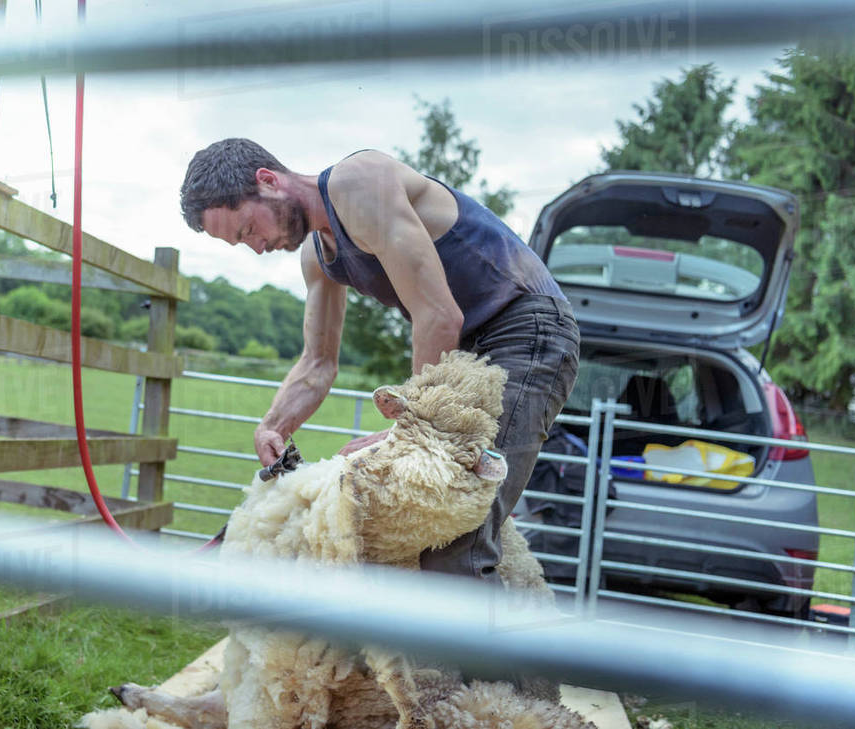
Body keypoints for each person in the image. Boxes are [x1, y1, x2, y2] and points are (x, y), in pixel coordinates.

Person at [179, 138, 579, 582]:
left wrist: (407, 431)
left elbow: (438, 315)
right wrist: (274, 424)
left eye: (246, 230)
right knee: (425, 532)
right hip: (467, 353)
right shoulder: (318, 255)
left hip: (525, 329)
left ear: (268, 181)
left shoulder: (358, 183)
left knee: (452, 532)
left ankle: (463, 648)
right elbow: (317, 363)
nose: (256, 247)